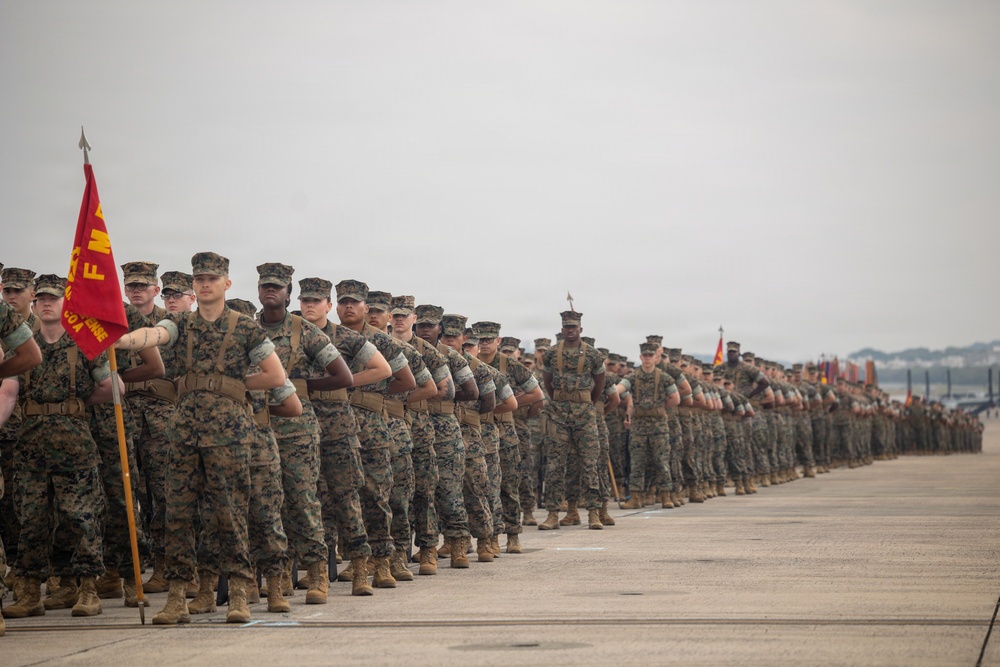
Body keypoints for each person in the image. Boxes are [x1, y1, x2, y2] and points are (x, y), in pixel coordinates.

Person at [113, 252, 286, 625]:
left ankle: (239, 592)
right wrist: (122, 341)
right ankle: (177, 595)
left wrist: (233, 386)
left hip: (230, 433)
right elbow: (155, 335)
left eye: (212, 278)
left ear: (226, 284)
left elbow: (274, 375)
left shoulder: (245, 328)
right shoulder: (180, 323)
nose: (204, 284)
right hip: (184, 430)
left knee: (230, 511)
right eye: (199, 279)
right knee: (178, 512)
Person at [4, 275, 116, 620]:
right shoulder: (23, 345)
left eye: (55, 298)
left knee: (80, 518)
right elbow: (8, 392)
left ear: (67, 303)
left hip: (74, 444)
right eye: (42, 299)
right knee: (32, 520)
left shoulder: (84, 343)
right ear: (34, 304)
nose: (47, 304)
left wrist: (79, 404)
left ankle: (87, 588)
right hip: (32, 444)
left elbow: (114, 387)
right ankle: (29, 592)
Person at [539, 311, 606, 530]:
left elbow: (600, 382)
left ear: (580, 329)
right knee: (556, 465)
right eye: (566, 327)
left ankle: (594, 512)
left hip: (585, 416)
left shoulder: (593, 355)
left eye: (573, 327)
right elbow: (548, 383)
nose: (570, 330)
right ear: (562, 328)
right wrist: (561, 400)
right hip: (558, 415)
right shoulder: (550, 354)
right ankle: (552, 513)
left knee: (589, 464)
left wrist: (586, 402)